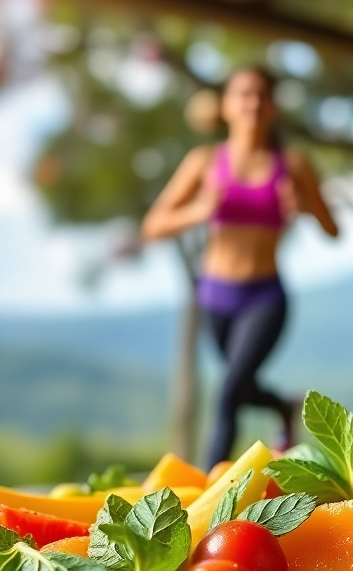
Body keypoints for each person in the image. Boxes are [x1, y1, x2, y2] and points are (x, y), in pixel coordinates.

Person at [141, 66, 338, 469]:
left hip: (265, 297)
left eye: (262, 94)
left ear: (274, 106)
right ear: (226, 106)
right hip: (215, 296)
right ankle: (282, 406)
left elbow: (333, 229)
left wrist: (305, 205)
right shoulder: (205, 161)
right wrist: (199, 209)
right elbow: (153, 226)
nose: (254, 103)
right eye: (244, 94)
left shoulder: (293, 164)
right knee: (240, 386)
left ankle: (210, 488)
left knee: (228, 394)